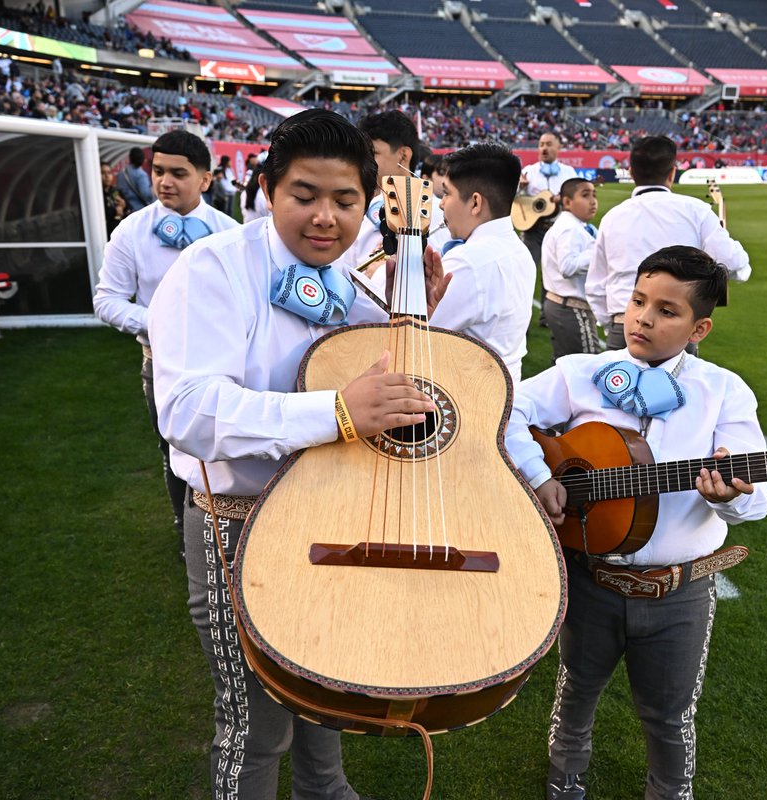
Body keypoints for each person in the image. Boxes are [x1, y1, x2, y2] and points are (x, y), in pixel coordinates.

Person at [147, 108, 449, 800]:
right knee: (255, 725)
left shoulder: (353, 278)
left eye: (345, 201)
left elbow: (386, 383)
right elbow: (189, 411)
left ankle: (326, 790)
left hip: (328, 511)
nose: (325, 218)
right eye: (304, 196)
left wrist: (414, 323)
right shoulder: (212, 269)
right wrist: (337, 411)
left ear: (368, 201)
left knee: (327, 683)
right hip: (237, 517)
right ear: (266, 190)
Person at [505, 246, 767, 800]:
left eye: (667, 311)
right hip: (589, 576)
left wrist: (730, 496)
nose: (643, 318)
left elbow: (756, 500)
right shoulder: (583, 372)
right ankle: (565, 775)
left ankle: (670, 790)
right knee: (577, 687)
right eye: (637, 300)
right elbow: (506, 411)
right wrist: (539, 474)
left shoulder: (723, 391)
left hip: (680, 590)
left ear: (701, 327)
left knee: (670, 714)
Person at [92, 130, 240, 559]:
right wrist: (161, 324)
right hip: (159, 363)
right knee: (174, 448)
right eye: (158, 171)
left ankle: (236, 520)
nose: (164, 181)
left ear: (206, 179)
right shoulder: (131, 231)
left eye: (178, 173)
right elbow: (107, 300)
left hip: (224, 359)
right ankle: (185, 525)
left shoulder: (230, 233)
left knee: (227, 442)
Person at [586, 136, 751, 350]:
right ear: (673, 172)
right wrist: (742, 269)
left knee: (617, 384)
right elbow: (731, 261)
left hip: (625, 324)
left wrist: (615, 325)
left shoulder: (612, 217)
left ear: (630, 172)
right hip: (675, 329)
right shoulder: (696, 210)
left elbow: (595, 286)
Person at [433, 141, 536, 386]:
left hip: (468, 401)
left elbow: (414, 336)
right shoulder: (519, 250)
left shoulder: (469, 261)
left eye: (447, 193)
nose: (441, 203)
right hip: (500, 392)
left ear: (475, 203)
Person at [343, 110, 449, 282]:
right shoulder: (359, 210)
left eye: (373, 154)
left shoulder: (442, 214)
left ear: (403, 155)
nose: (363, 162)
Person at [540, 178, 602, 362]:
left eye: (594, 195)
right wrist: (599, 253)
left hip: (561, 304)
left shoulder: (576, 226)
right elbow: (567, 266)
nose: (592, 201)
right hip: (572, 309)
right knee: (589, 366)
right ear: (567, 202)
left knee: (564, 364)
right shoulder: (569, 229)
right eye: (585, 195)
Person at [518, 131, 580, 265]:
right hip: (532, 231)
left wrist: (564, 200)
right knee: (527, 270)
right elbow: (516, 202)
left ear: (558, 148)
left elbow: (577, 200)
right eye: (541, 145)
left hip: (559, 231)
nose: (544, 148)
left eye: (549, 144)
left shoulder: (568, 172)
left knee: (554, 276)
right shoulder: (528, 171)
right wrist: (521, 188)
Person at [116, 146, 156, 211]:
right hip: (139, 210)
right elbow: (146, 196)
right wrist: (153, 189)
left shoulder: (121, 173)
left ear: (130, 158)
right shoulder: (141, 174)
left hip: (126, 209)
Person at [100, 160, 127, 235]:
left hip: (120, 232)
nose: (107, 176)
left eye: (109, 173)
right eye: (103, 173)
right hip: (105, 233)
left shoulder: (115, 191)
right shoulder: (97, 195)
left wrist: (124, 206)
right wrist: (116, 211)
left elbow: (127, 210)